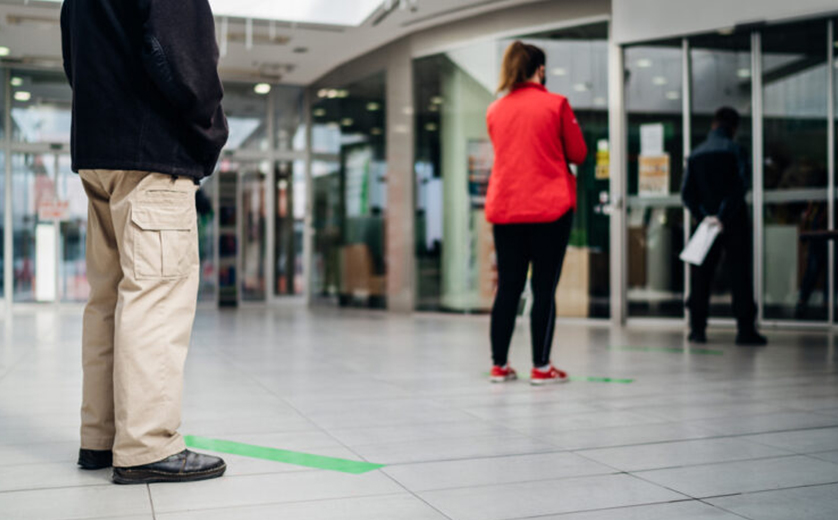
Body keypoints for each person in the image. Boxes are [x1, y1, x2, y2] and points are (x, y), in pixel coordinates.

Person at [61, 0, 229, 483]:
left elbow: (75, 59)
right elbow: (184, 57)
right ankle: (146, 445)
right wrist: (211, 133)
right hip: (153, 153)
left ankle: (101, 437)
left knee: (108, 301)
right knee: (156, 298)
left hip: (99, 153)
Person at [485, 41, 587, 385]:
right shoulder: (555, 104)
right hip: (549, 209)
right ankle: (541, 368)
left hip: (506, 210)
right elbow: (579, 152)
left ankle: (499, 365)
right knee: (543, 289)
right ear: (540, 70)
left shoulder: (495, 110)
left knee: (508, 289)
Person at [681, 107, 767, 346]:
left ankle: (697, 330)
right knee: (739, 274)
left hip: (705, 225)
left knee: (702, 277)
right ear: (734, 128)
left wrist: (705, 217)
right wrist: (722, 216)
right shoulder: (736, 150)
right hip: (733, 222)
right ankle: (745, 330)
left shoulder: (696, 154)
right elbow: (741, 186)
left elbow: (687, 194)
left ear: (713, 124)